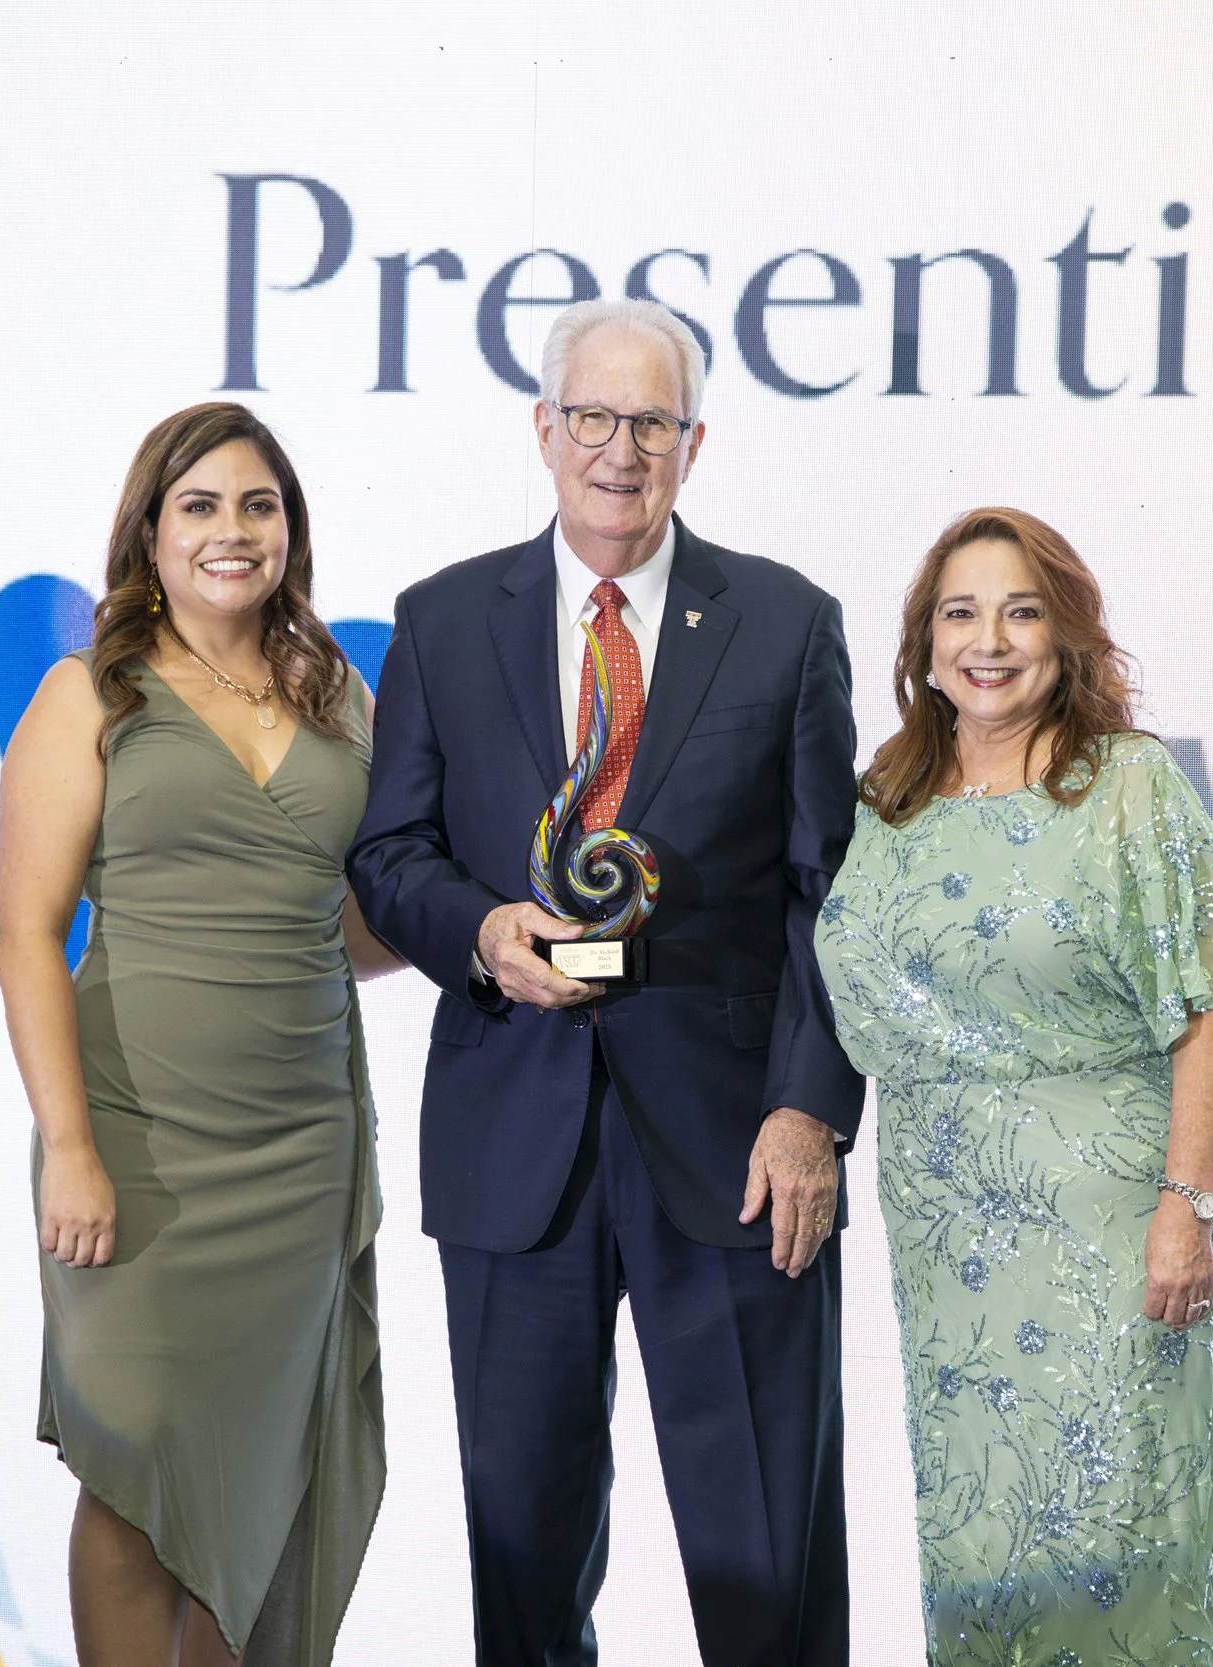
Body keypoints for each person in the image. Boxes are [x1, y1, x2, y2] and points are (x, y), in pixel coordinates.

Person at [348, 298, 864, 1667]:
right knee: (522, 1564)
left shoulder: (786, 623)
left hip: (739, 1152)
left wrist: (808, 1112)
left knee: (765, 1564)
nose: (618, 450)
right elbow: (388, 854)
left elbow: (833, 896)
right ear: (543, 428)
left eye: (650, 421)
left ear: (694, 442)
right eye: (592, 416)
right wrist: (483, 931)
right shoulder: (443, 619)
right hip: (515, 1142)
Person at [812, 508, 1213, 1667]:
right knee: (987, 1541)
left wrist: (1186, 1205)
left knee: (1124, 1539)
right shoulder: (886, 801)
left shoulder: (1126, 784)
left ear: (1065, 635)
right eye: (960, 612)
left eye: (1020, 612)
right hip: (952, 1253)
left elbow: (1210, 1004)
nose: (988, 640)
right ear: (923, 641)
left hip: (1113, 1238)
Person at [0, 402, 400, 1667]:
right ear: (151, 532)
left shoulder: (340, 696)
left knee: (254, 1485)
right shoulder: (88, 695)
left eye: (258, 504)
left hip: (299, 1160)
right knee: (132, 1470)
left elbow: (351, 927)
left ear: (291, 530)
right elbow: (25, 929)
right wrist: (69, 1146)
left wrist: (493, 924)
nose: (234, 529)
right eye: (202, 504)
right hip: (134, 1143)